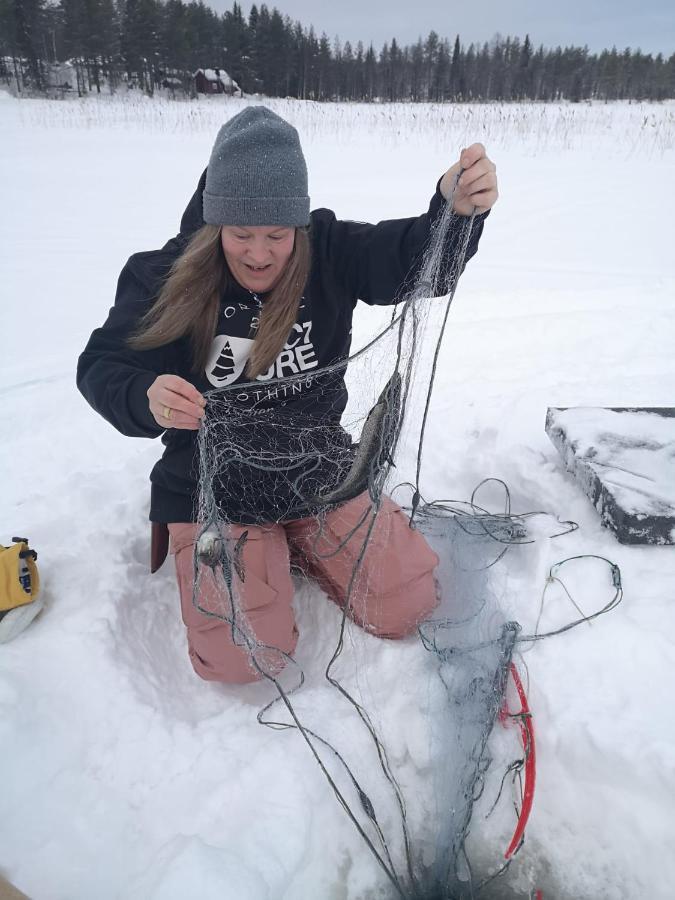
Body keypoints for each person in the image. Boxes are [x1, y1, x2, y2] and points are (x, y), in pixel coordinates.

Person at [77, 107, 498, 684]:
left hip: (319, 470)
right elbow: (103, 364)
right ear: (214, 223)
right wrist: (143, 394)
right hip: (212, 487)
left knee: (410, 601)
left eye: (276, 235)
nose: (258, 252)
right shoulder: (163, 274)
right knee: (247, 658)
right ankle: (262, 550)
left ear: (297, 225)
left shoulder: (330, 250)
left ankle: (300, 542)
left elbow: (414, 259)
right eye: (240, 234)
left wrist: (454, 212)